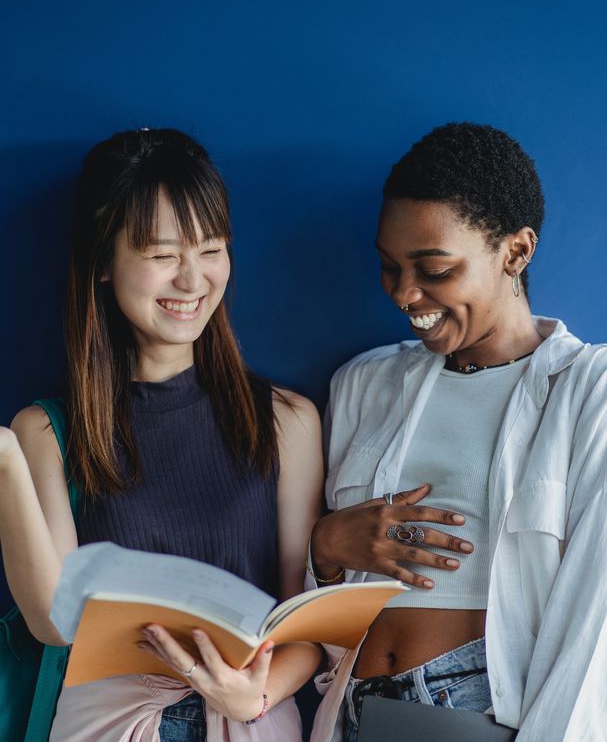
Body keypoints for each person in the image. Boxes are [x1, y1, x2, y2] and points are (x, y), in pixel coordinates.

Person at [0, 128, 323, 741]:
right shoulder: (46, 431)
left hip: (250, 723)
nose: (193, 280)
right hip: (111, 724)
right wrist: (6, 463)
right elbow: (54, 623)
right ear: (103, 263)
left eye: (211, 249)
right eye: (162, 255)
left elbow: (303, 621)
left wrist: (255, 695)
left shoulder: (287, 420)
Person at [307, 122, 607, 742]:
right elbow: (317, 615)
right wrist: (326, 552)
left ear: (515, 252)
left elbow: (592, 627)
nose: (404, 294)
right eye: (389, 267)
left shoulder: (588, 391)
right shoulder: (363, 383)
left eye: (435, 269)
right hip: (350, 710)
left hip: (482, 711)